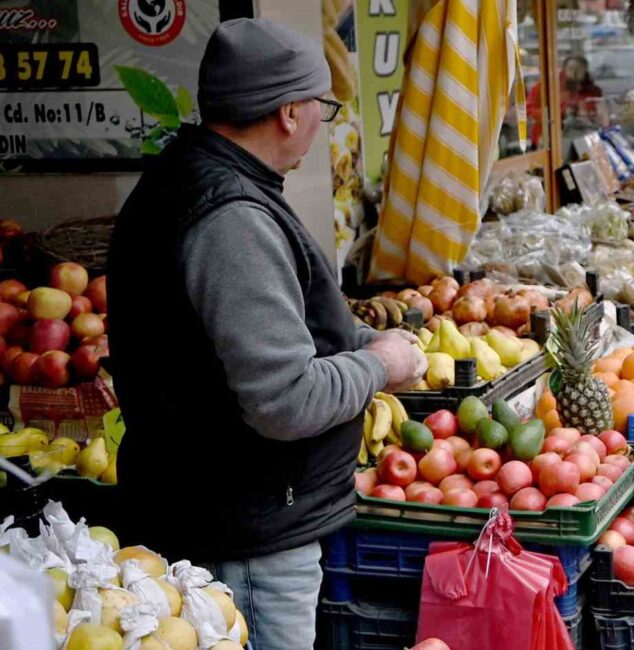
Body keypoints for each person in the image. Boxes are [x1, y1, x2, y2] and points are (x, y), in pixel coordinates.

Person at [108, 19, 427, 649]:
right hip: (245, 535)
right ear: (288, 112)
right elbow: (283, 400)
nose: (321, 122)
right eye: (323, 107)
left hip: (223, 514)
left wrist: (352, 339)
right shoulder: (230, 218)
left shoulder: (193, 181)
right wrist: (380, 366)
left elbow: (256, 332)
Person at [526, 55, 604, 148]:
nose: (575, 72)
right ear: (564, 69)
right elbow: (529, 109)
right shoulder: (545, 86)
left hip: (585, 138)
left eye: (579, 69)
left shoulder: (593, 91)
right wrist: (558, 113)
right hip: (549, 139)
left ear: (585, 70)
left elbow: (600, 114)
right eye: (571, 68)